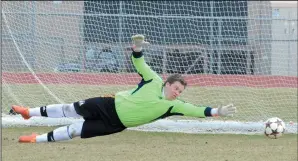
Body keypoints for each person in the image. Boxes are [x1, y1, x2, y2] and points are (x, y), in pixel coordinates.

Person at [12, 34, 237, 143]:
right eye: (176, 88)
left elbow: (199, 111)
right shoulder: (153, 80)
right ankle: (27, 112)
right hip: (107, 104)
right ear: (168, 83)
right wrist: (137, 48)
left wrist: (218, 111)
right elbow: (140, 62)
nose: (178, 93)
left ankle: (36, 139)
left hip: (115, 124)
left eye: (180, 91)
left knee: (75, 130)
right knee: (69, 109)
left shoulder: (174, 106)